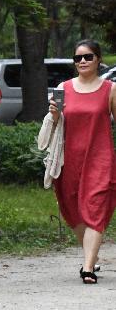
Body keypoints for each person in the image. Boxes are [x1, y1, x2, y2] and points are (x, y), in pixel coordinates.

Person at [49, 39, 116, 284]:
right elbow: (55, 124)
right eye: (78, 58)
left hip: (101, 157)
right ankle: (92, 255)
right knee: (72, 210)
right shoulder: (63, 87)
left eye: (88, 57)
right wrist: (54, 115)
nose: (83, 62)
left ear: (98, 59)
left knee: (95, 209)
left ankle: (87, 268)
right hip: (70, 159)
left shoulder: (110, 89)